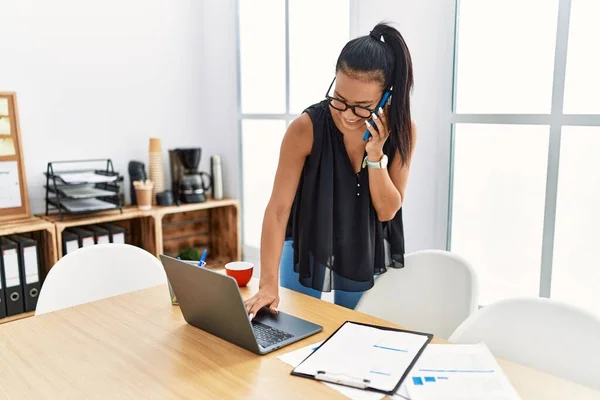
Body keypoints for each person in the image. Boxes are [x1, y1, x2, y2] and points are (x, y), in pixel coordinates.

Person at [244, 22, 417, 319]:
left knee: (352, 331)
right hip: (305, 239)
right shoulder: (306, 128)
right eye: (339, 99)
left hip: (362, 243)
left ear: (386, 97)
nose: (348, 115)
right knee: (292, 324)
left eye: (363, 106)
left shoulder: (403, 132)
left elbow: (388, 211)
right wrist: (267, 284)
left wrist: (375, 156)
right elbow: (277, 209)